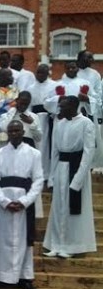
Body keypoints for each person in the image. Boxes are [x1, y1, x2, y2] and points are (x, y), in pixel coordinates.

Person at [0, 121, 44, 289]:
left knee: (22, 240)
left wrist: (25, 201)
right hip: (4, 201)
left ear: (23, 131)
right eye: (11, 131)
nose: (14, 133)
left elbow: (38, 179)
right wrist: (4, 201)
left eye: (17, 130)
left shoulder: (34, 153)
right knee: (0, 240)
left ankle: (24, 277)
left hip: (24, 201)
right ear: (7, 133)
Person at [43, 96, 97, 258]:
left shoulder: (86, 123)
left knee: (73, 209)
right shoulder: (60, 123)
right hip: (61, 168)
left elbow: (89, 151)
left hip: (76, 167)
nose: (60, 110)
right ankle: (56, 244)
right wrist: (51, 176)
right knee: (59, 207)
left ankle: (72, 245)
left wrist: (79, 178)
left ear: (74, 106)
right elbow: (55, 151)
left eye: (63, 107)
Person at [26, 64, 57, 178]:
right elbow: (28, 106)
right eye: (38, 72)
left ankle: (48, 174)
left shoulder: (54, 85)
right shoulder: (30, 88)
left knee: (48, 147)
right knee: (37, 147)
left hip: (49, 119)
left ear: (47, 73)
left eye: (42, 72)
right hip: (34, 120)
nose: (39, 75)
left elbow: (56, 103)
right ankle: (36, 174)